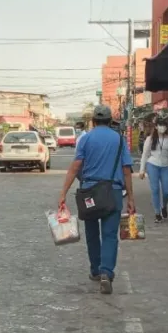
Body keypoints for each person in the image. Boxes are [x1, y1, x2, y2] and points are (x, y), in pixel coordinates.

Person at [58, 105, 135, 295]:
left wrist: (63, 194)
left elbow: (75, 167)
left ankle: (95, 270)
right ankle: (106, 273)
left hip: (89, 193)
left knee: (92, 234)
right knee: (109, 235)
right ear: (110, 121)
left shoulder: (86, 139)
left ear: (93, 121)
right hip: (113, 192)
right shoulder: (119, 139)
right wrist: (131, 198)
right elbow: (126, 170)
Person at [139, 118, 168, 223]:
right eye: (160, 125)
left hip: (166, 166)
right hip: (152, 165)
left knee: (167, 191)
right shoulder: (150, 139)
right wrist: (142, 170)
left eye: (164, 125)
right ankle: (157, 213)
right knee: (155, 190)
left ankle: (164, 206)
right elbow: (145, 155)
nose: (162, 127)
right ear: (156, 126)